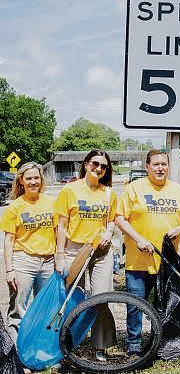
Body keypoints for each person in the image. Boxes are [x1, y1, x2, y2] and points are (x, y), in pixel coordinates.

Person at [115, 149, 180, 356]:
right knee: (136, 304)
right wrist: (138, 239)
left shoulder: (177, 190)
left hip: (166, 262)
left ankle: (158, 341)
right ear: (147, 167)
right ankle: (133, 345)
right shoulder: (134, 188)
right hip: (138, 260)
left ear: (168, 167)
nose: (160, 168)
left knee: (163, 305)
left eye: (164, 164)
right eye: (156, 164)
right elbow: (119, 218)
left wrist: (179, 229)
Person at [54, 149, 117, 361]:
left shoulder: (109, 193)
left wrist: (109, 232)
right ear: (86, 164)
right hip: (74, 249)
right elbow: (62, 226)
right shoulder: (69, 190)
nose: (98, 168)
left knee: (101, 297)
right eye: (95, 164)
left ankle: (100, 346)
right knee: (73, 299)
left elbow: (111, 220)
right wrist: (59, 255)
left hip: (101, 250)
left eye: (103, 166)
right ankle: (68, 343)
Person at [0, 162, 56, 342]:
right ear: (21, 181)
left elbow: (58, 232)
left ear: (41, 180)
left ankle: (38, 346)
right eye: (29, 178)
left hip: (48, 262)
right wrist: (9, 270)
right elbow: (8, 240)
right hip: (24, 261)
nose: (33, 182)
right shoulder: (15, 207)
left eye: (36, 178)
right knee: (18, 308)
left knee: (45, 307)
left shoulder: (51, 203)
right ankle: (16, 350)